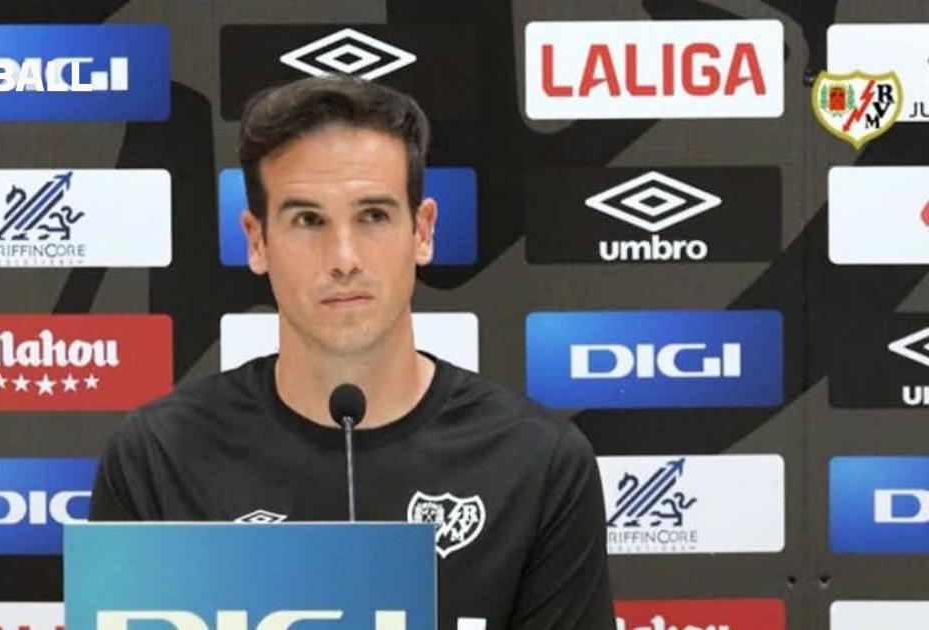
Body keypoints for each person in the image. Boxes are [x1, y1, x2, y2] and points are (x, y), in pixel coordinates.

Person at [88, 75, 615, 629]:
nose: (343, 258)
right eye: (308, 220)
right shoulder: (160, 458)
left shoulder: (537, 463)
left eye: (373, 216)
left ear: (423, 232)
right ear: (257, 241)